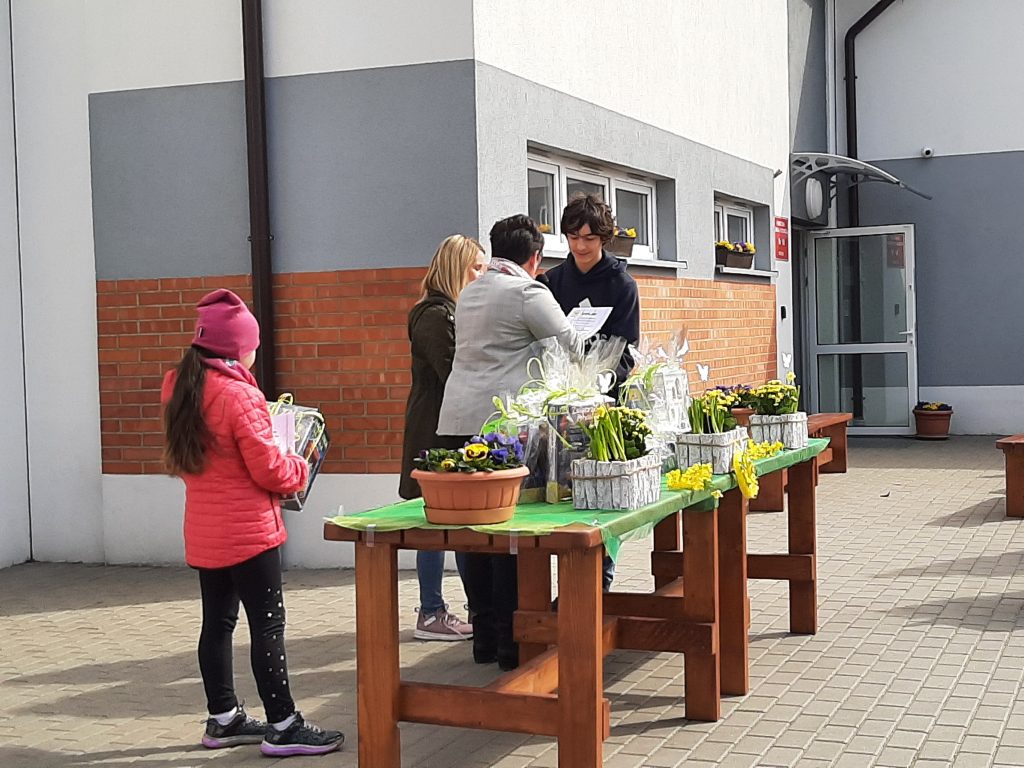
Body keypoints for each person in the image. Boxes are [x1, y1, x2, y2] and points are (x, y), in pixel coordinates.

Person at [161, 289, 344, 758]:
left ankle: (223, 718)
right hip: (248, 532)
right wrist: (300, 464)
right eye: (253, 345)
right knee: (268, 624)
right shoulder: (240, 394)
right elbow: (271, 470)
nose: (255, 353)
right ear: (238, 348)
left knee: (217, 623)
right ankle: (283, 724)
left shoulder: (179, 386)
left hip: (205, 531)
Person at [437, 214, 584, 670]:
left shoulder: (470, 291)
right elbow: (572, 344)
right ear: (535, 257)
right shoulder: (527, 292)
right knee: (506, 534)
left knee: (470, 532)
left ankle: (482, 635)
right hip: (502, 425)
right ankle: (510, 642)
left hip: (458, 418)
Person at [538, 193, 641, 591]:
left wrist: (598, 385)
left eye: (589, 238)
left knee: (600, 498)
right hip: (556, 406)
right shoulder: (551, 282)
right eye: (573, 237)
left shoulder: (621, 284)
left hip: (603, 408)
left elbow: (626, 351)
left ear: (604, 238)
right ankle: (560, 591)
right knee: (557, 497)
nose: (580, 246)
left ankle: (598, 588)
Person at [399, 234, 487, 641]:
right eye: (476, 268)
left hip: (443, 426)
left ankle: (472, 607)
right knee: (434, 524)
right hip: (435, 431)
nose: (482, 276)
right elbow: (454, 371)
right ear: (457, 269)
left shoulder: (447, 312)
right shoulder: (436, 315)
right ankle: (432, 611)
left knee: (452, 522)